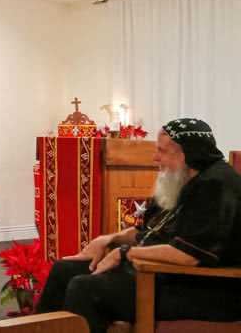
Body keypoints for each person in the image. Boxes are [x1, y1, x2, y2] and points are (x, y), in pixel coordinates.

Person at [36, 118, 241, 332]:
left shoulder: (216, 185)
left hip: (203, 290)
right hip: (162, 275)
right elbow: (150, 230)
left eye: (161, 150)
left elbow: (188, 255)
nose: (155, 157)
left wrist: (126, 253)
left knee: (85, 289)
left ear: (185, 154)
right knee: (64, 270)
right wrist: (110, 238)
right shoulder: (181, 178)